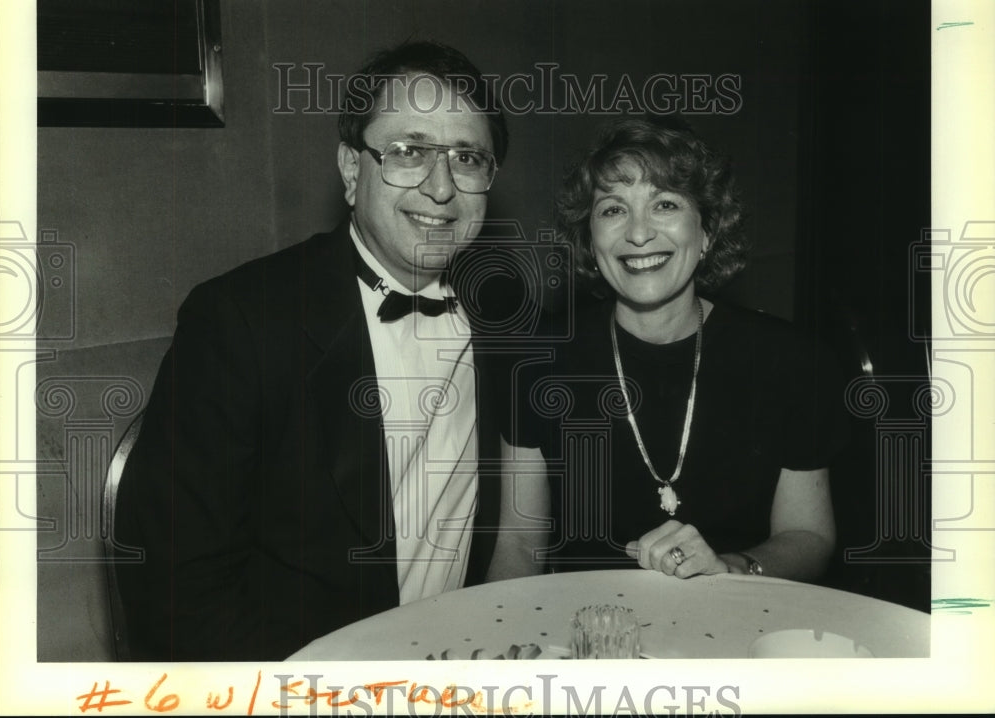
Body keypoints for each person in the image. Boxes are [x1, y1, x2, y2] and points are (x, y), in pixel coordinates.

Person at [115, 41, 510, 661]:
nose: (441, 188)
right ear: (353, 172)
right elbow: (175, 594)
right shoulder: (241, 323)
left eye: (467, 158)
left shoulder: (508, 313)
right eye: (408, 152)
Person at [489, 116, 846, 583]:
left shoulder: (793, 362)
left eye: (665, 204)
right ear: (590, 238)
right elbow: (518, 543)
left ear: (708, 231)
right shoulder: (537, 360)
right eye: (613, 210)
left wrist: (732, 568)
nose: (638, 233)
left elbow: (809, 537)